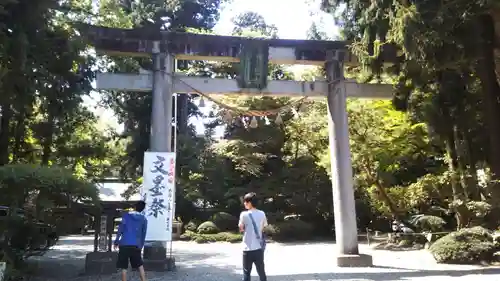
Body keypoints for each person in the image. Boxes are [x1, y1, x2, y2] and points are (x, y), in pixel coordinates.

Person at [113, 200, 148, 281]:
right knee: (140, 265)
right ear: (142, 209)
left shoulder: (126, 216)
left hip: (124, 243)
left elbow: (120, 229)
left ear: (135, 207)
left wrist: (116, 241)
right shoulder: (144, 219)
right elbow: (143, 234)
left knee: (124, 267)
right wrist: (141, 246)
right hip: (135, 244)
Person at [238, 192, 268, 281]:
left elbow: (241, 229)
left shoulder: (243, 214)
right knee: (261, 272)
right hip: (258, 248)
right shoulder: (262, 213)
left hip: (247, 249)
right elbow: (263, 228)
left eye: (246, 202)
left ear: (250, 203)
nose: (244, 204)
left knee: (247, 273)